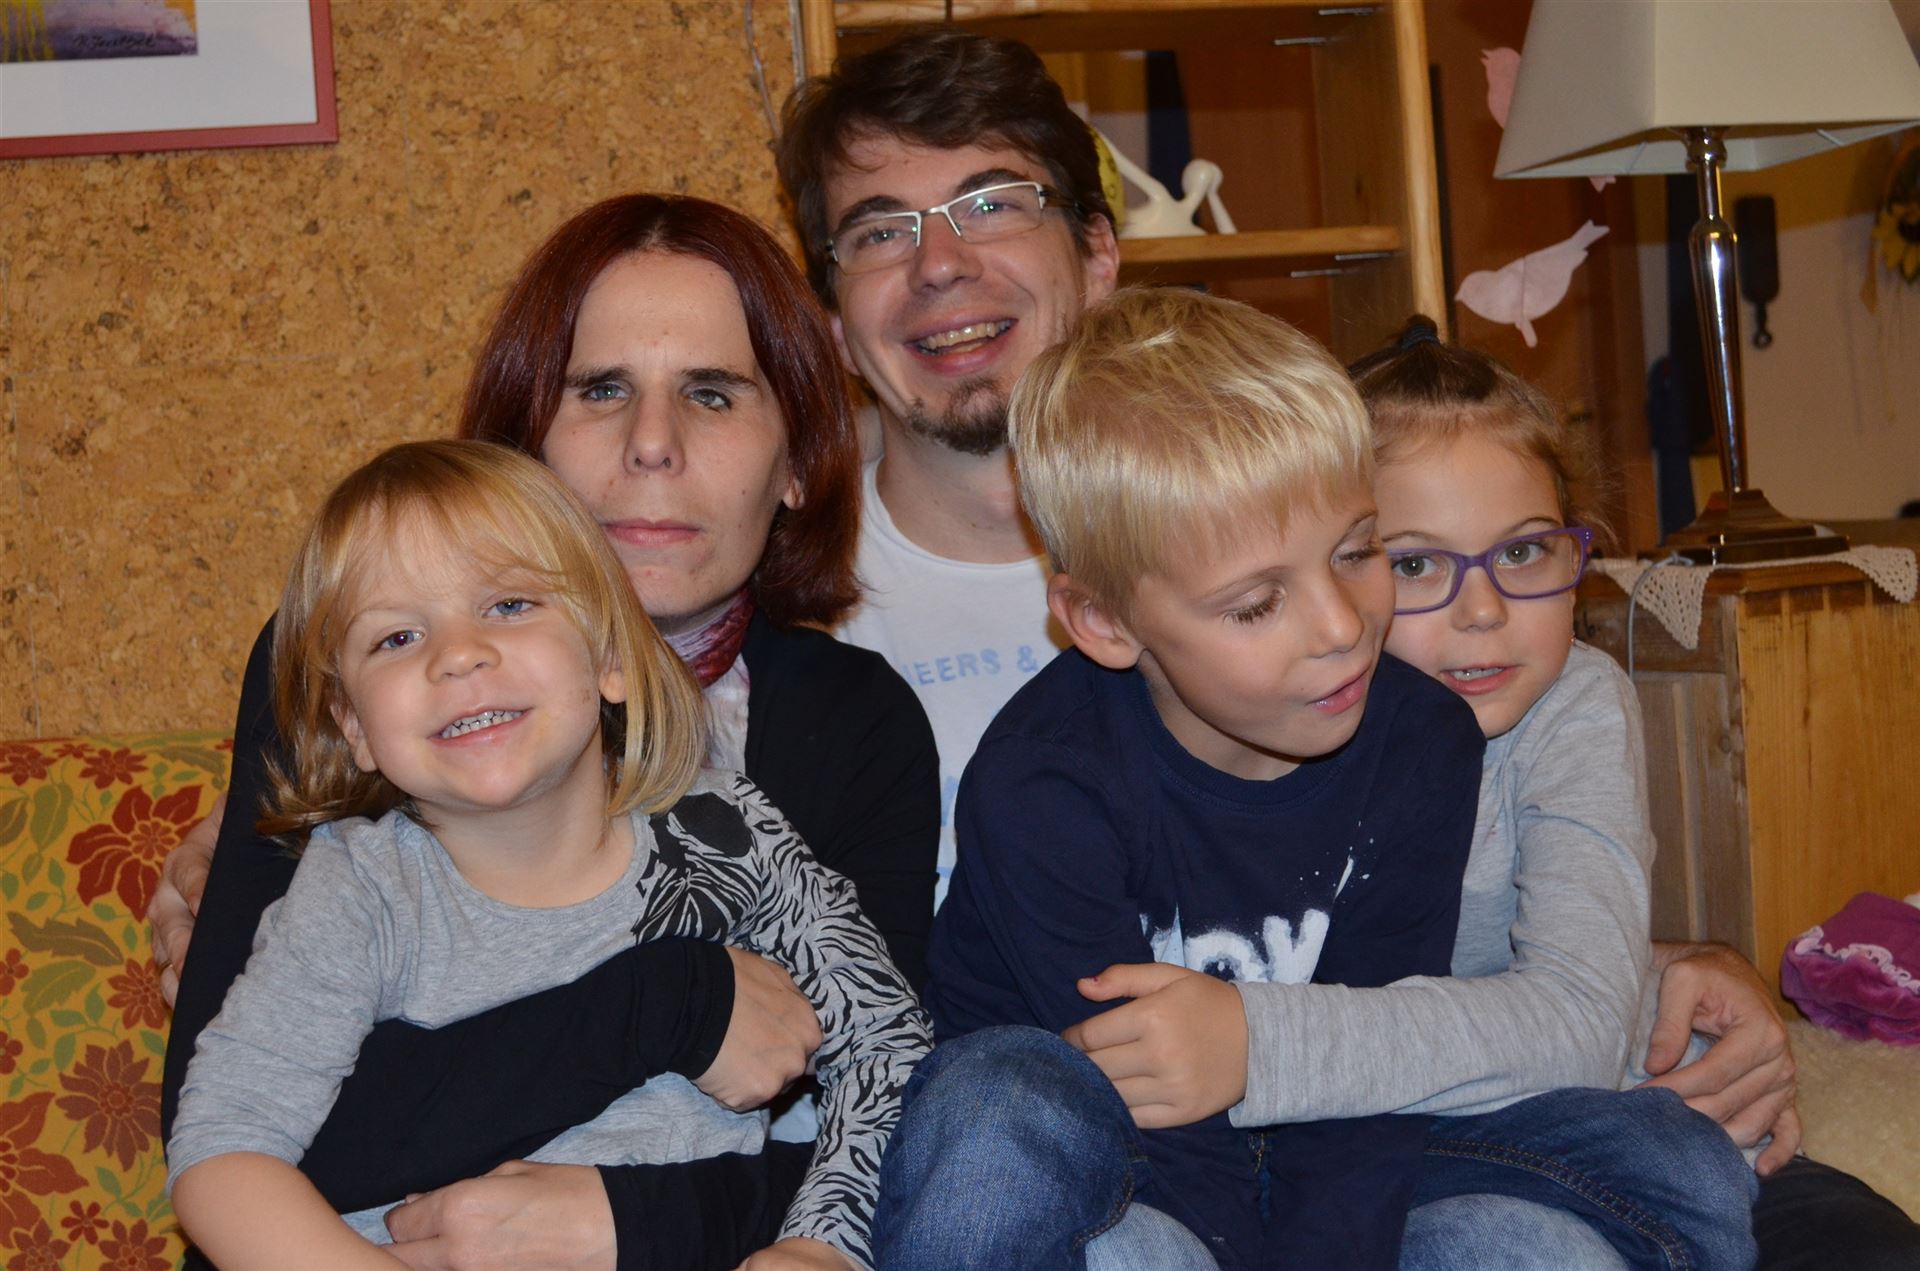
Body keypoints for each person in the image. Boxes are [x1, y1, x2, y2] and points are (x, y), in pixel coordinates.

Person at [771, 28, 1881, 1270]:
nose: (941, 262)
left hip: (1382, 1114)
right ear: (832, 312)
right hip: (1106, 1148)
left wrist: (1664, 959)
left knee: (1736, 1188)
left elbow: (1435, 972)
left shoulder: (1297, 482)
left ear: (1097, 248)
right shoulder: (787, 620)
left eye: (993, 202)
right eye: (880, 229)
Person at [875, 288, 1759, 1271]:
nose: (1342, 626)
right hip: (1124, 1155)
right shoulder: (1041, 784)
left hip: (1342, 1119)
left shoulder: (1421, 739)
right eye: (1258, 604)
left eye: (1358, 552)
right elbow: (1153, 1118)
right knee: (989, 1106)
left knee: (1682, 1166)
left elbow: (1371, 1105)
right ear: (1104, 622)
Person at [157, 194, 940, 1270]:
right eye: (600, 388)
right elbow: (240, 1133)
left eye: (711, 392)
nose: (652, 445)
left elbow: (891, 1080)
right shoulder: (359, 743)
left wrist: (640, 1221)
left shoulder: (810, 760)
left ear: (798, 458)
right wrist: (671, 1004)